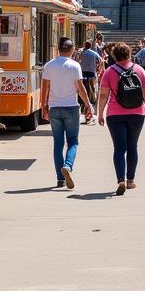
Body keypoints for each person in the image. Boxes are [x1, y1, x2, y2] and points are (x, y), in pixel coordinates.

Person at [97, 41, 145, 195]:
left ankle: (120, 180)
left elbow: (103, 95)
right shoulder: (139, 70)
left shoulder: (109, 71)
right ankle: (130, 180)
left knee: (119, 148)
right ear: (130, 55)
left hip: (115, 114)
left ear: (114, 56)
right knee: (132, 147)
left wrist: (100, 112)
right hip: (137, 113)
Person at [42, 36, 94, 189]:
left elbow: (45, 87)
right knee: (73, 141)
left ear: (58, 49)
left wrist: (43, 106)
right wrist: (88, 105)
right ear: (72, 50)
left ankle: (60, 179)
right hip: (71, 107)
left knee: (58, 143)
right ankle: (68, 166)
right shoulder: (75, 66)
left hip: (55, 108)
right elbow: (80, 88)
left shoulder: (49, 66)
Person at [79, 39, 104, 122]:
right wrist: (99, 68)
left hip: (82, 73)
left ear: (84, 46)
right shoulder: (94, 53)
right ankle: (92, 103)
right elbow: (101, 60)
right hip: (91, 73)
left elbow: (78, 60)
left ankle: (83, 104)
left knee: (82, 89)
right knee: (92, 90)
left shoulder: (82, 53)